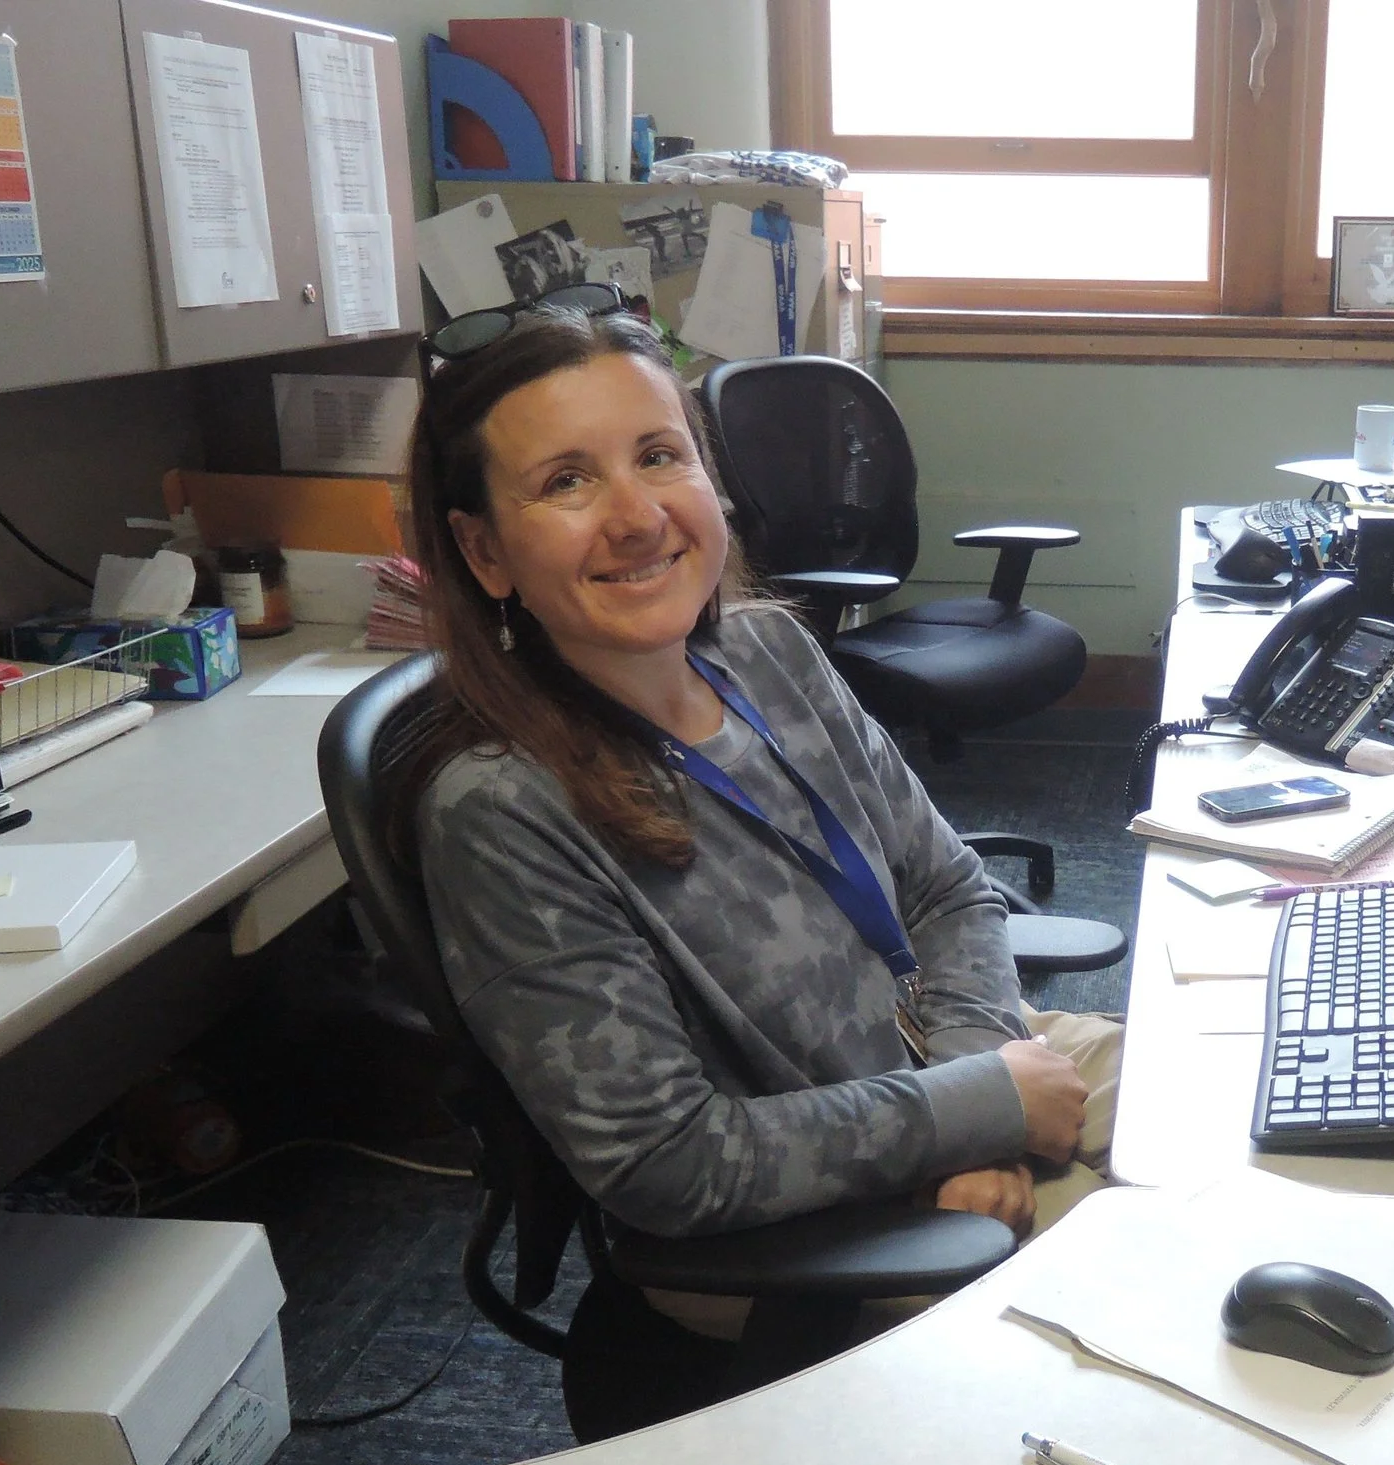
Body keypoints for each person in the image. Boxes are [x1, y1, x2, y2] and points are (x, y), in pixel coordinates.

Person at [400, 307, 1109, 1287]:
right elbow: (666, 1162)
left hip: (949, 1069)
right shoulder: (503, 809)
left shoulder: (766, 648)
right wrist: (966, 1114)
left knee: (1277, 1132)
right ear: (484, 553)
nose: (637, 516)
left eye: (658, 456)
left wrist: (976, 1087)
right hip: (822, 1222)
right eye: (566, 481)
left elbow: (945, 886)